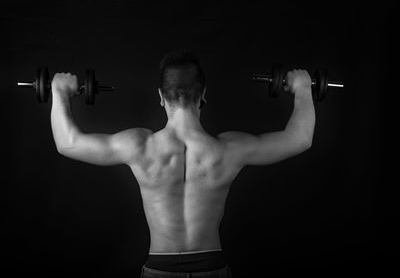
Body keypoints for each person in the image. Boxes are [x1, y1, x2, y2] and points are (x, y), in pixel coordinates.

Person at [50, 49, 315, 278]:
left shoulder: (139, 146)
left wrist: (59, 91)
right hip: (212, 266)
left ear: (161, 96)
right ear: (203, 95)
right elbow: (300, 138)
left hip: (159, 268)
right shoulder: (229, 149)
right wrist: (302, 88)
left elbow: (67, 143)